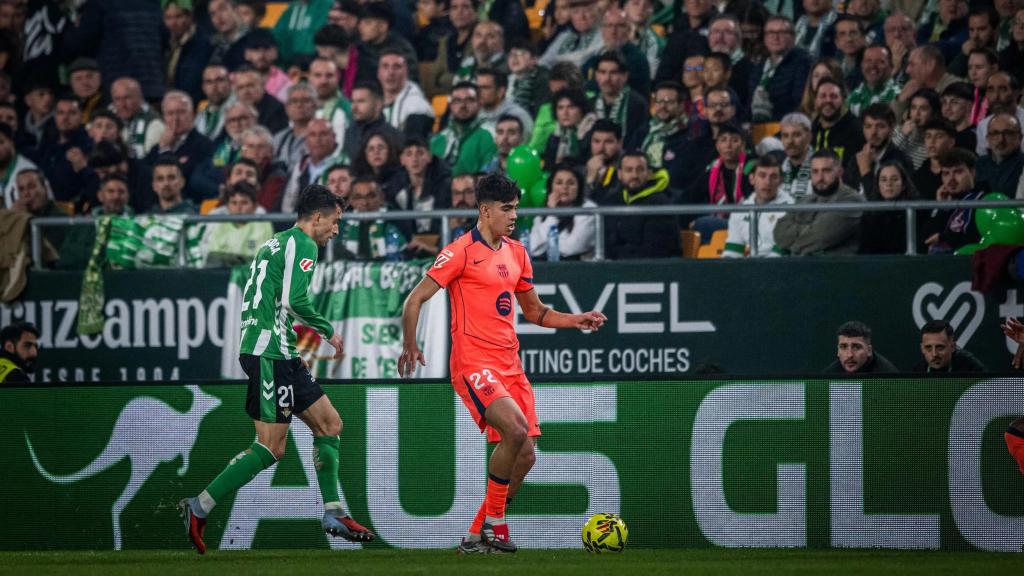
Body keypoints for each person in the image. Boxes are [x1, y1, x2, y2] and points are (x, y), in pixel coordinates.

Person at [398, 173, 607, 554]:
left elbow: (536, 312)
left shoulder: (517, 252)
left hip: (511, 365)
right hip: (473, 362)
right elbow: (414, 300)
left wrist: (575, 319)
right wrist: (410, 344)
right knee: (515, 429)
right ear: (485, 210)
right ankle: (496, 523)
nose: (514, 216)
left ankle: (475, 534)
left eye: (516, 208)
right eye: (507, 209)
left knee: (525, 455)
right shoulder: (460, 251)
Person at [179, 184, 374, 555]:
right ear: (317, 217)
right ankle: (199, 506)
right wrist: (328, 331)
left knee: (330, 424)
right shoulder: (304, 244)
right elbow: (294, 300)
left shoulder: (275, 242)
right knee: (270, 448)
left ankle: (333, 511)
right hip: (268, 353)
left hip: (279, 351)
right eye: (334, 222)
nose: (336, 229)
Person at [774, 149, 864, 256]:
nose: (820, 178)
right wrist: (810, 232)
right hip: (803, 268)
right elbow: (779, 233)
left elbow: (820, 237)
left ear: (840, 172)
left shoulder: (852, 200)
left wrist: (793, 241)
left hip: (836, 268)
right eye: (815, 171)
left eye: (826, 171)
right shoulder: (805, 200)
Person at [599, 151, 680, 259]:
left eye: (640, 170)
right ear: (619, 174)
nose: (634, 175)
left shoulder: (660, 204)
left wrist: (615, 255)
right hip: (619, 266)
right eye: (629, 170)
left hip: (653, 270)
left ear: (649, 173)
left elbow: (653, 251)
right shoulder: (613, 200)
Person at [722, 155, 795, 257]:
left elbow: (782, 249)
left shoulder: (791, 208)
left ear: (780, 181)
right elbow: (733, 248)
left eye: (773, 177)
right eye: (762, 175)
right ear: (752, 179)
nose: (767, 182)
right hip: (751, 265)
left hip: (779, 266)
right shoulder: (740, 210)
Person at [528, 164, 597, 260]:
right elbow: (533, 248)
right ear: (551, 187)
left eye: (571, 183)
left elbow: (571, 248)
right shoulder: (543, 212)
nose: (565, 187)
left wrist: (547, 245)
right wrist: (552, 215)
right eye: (559, 183)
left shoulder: (588, 208)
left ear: (579, 188)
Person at [430, 82, 497, 175]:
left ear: (479, 104)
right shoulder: (439, 139)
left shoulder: (489, 135)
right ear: (451, 106)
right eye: (457, 101)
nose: (462, 106)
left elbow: (490, 176)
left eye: (469, 100)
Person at [859, 160, 918, 255]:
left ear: (903, 184)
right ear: (878, 185)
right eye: (883, 180)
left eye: (894, 179)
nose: (889, 184)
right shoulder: (869, 215)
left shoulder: (916, 211)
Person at [824, 321, 899, 374]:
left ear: (869, 350)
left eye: (856, 347)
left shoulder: (888, 375)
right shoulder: (828, 375)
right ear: (838, 351)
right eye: (843, 347)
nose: (849, 355)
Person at [913, 319, 986, 373]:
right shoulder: (917, 371)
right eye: (928, 348)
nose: (934, 354)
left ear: (953, 347)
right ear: (922, 348)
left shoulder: (971, 369)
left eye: (940, 347)